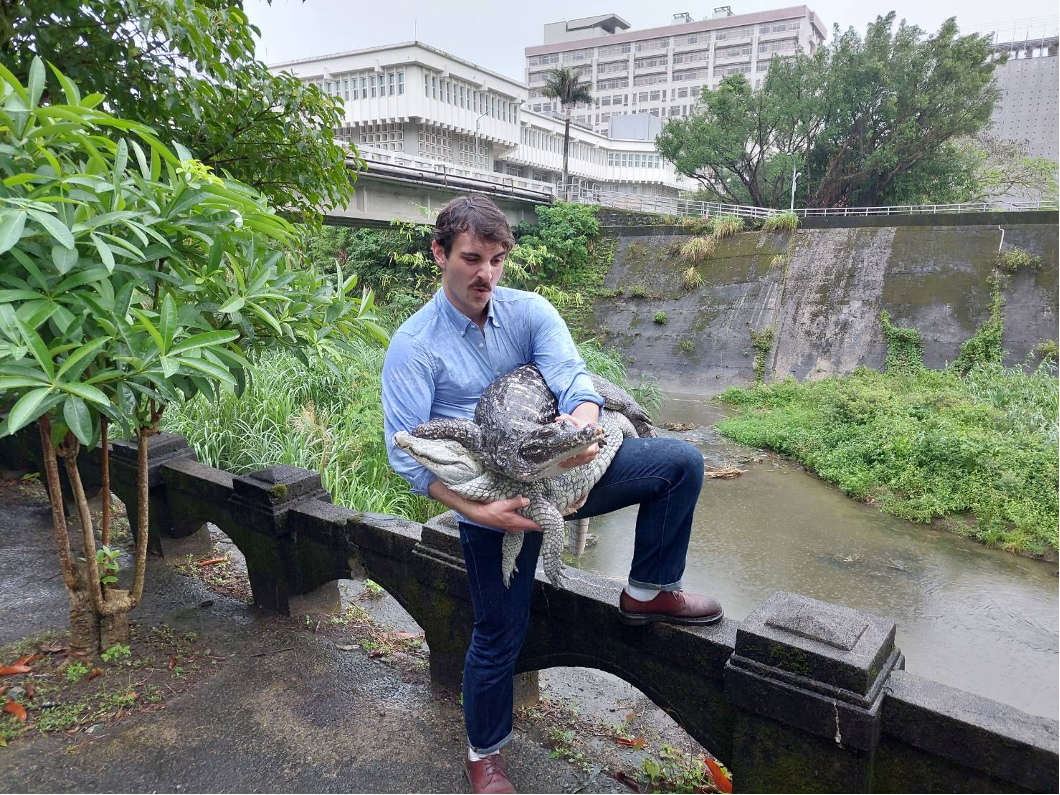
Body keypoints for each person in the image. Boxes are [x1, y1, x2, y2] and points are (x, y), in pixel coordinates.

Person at [382, 195, 722, 795]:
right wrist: (477, 510)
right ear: (439, 254)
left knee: (680, 463)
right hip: (492, 498)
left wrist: (582, 424)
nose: (485, 273)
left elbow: (571, 376)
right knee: (498, 631)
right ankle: (484, 756)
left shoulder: (530, 311)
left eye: (496, 259)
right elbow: (402, 454)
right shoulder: (414, 346)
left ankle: (647, 590)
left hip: (564, 470)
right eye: (471, 258)